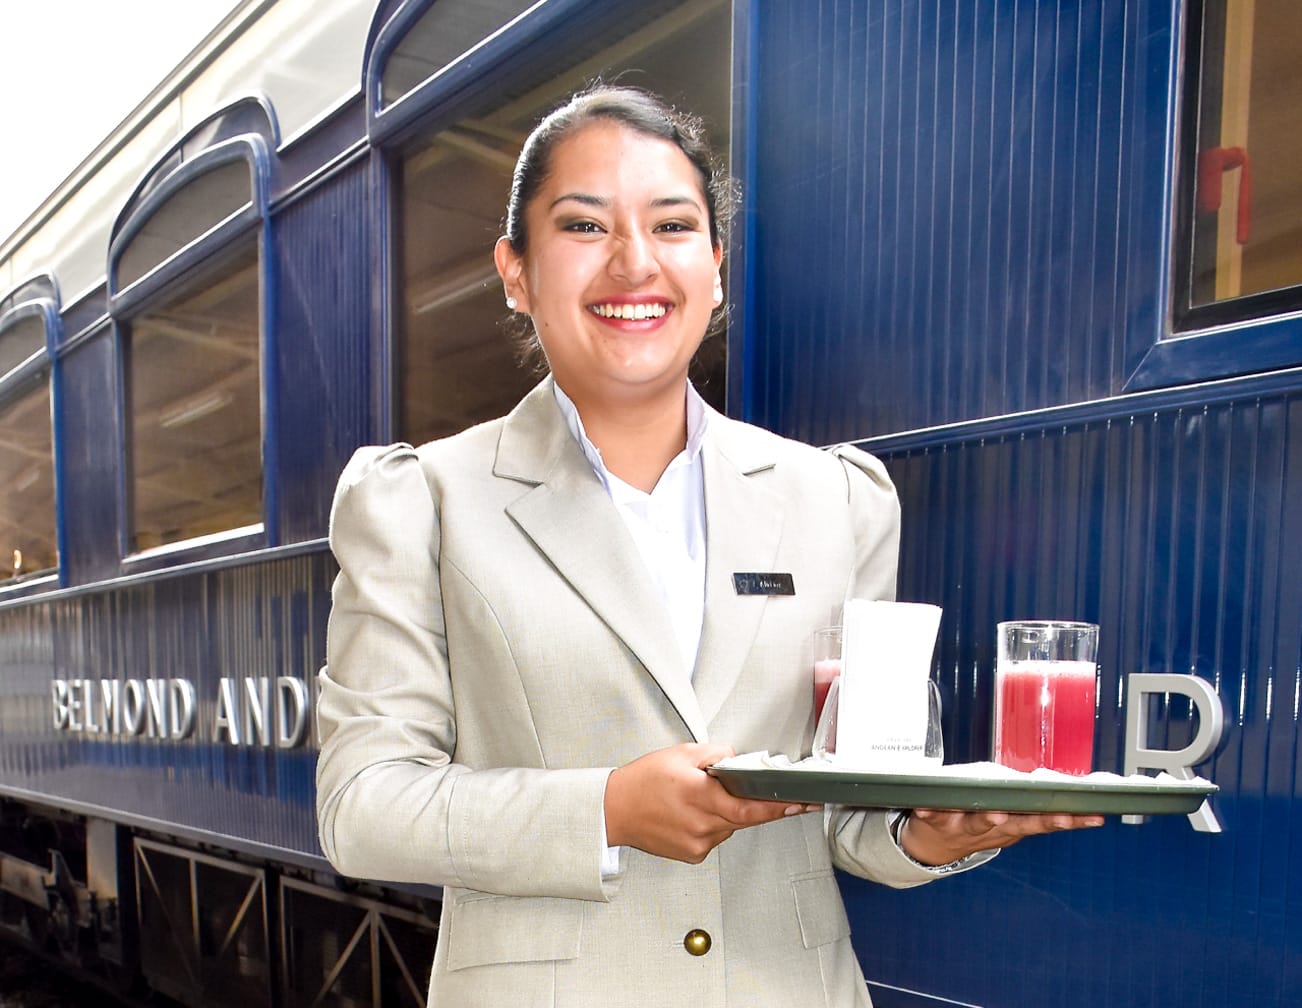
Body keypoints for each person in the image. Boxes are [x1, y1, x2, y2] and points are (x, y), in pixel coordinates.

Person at [315, 85, 1103, 1008]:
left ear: (717, 268)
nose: (633, 262)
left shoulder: (838, 500)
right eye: (582, 226)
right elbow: (362, 807)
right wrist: (606, 809)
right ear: (516, 272)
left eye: (674, 225)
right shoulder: (425, 500)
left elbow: (849, 803)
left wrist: (926, 834)